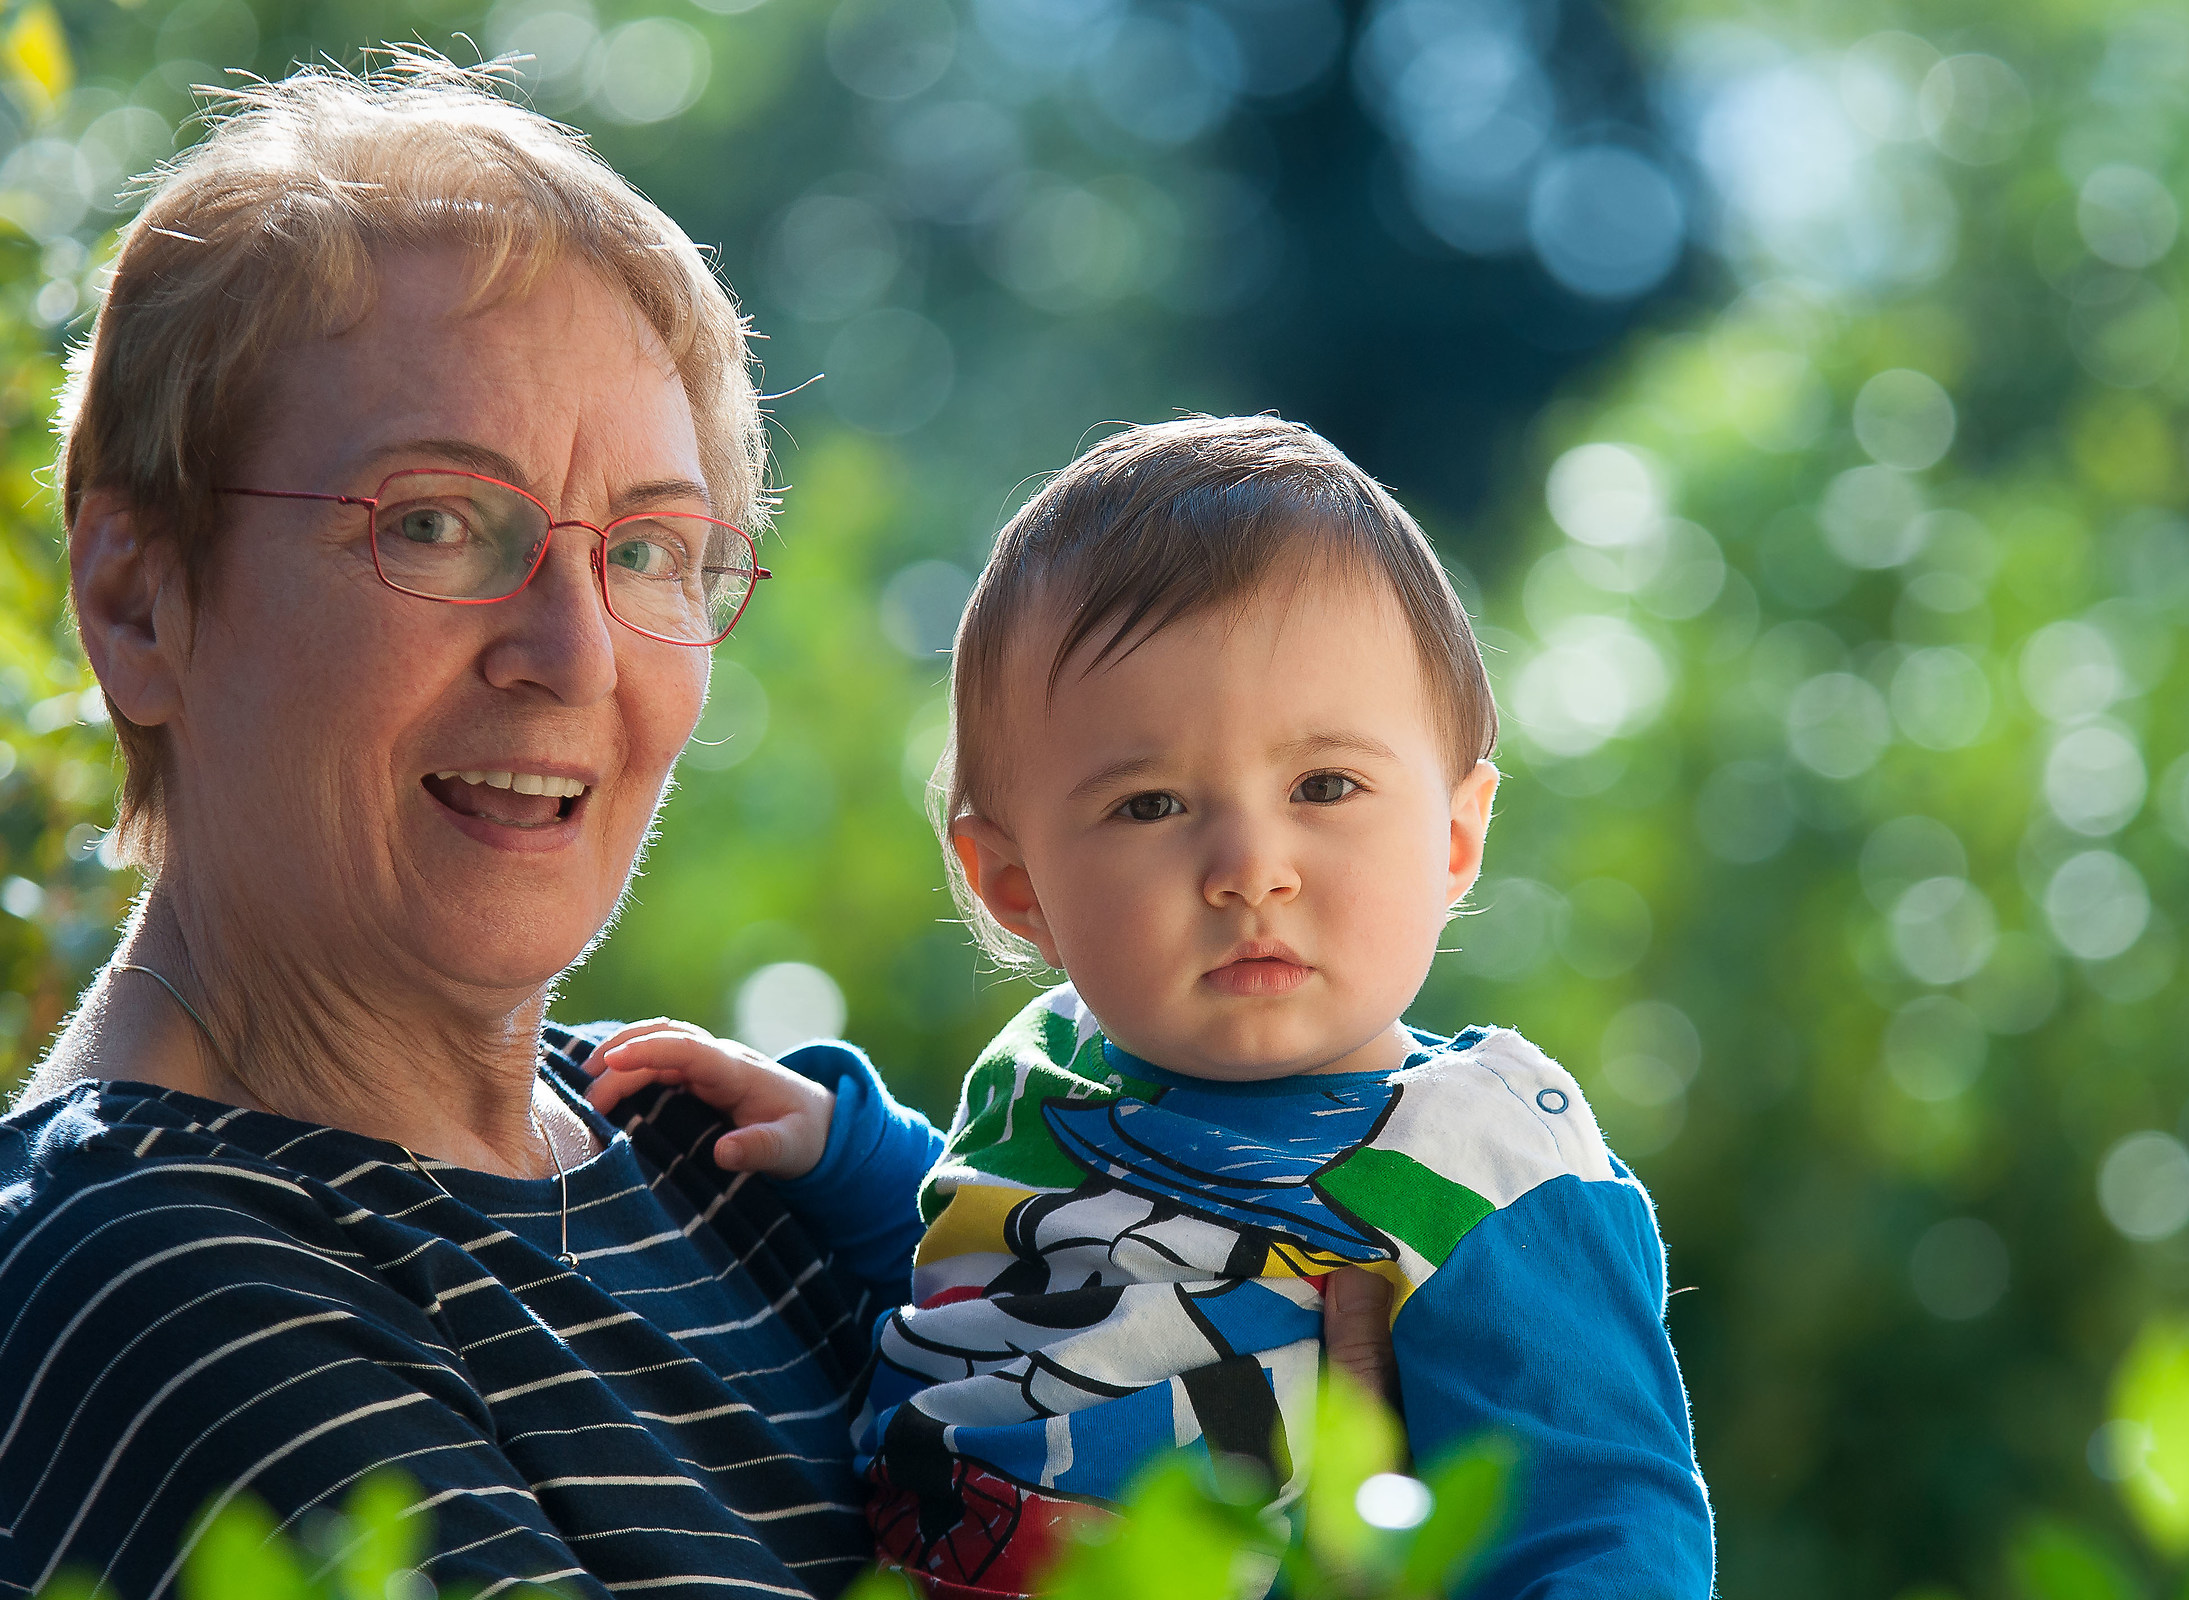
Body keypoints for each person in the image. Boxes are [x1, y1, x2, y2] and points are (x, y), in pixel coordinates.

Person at [0, 63, 1393, 1600]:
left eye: (652, 550)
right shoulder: (162, 1275)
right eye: (437, 522)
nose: (576, 654)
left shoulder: (707, 1150)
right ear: (140, 600)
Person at [590, 416, 1715, 1599]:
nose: (1249, 865)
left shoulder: (1489, 1170)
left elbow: (1607, 1531)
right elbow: (1004, 1258)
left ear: (1453, 835)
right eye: (1152, 804)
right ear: (1018, 884)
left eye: (1323, 785)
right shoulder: (1054, 1066)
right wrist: (846, 1150)